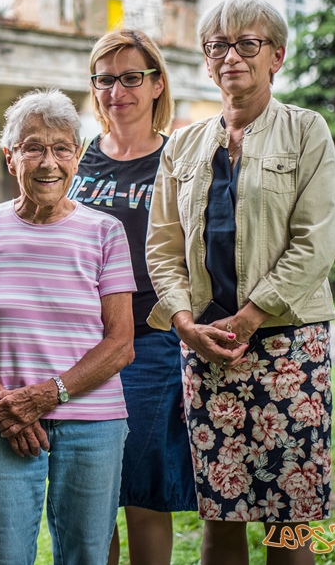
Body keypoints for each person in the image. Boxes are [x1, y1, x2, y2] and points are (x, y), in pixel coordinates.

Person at [145, 0, 335, 565]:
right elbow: (161, 244)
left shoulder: (307, 132)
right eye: (218, 46)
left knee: (288, 521)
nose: (232, 56)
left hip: (288, 342)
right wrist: (183, 322)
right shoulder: (181, 145)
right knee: (221, 512)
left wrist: (253, 314)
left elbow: (315, 241)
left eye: (247, 43)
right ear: (207, 61)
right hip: (206, 344)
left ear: (276, 55)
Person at [0, 88, 137, 565]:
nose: (48, 162)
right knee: (1, 555)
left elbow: (121, 344)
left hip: (93, 424)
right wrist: (3, 404)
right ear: (11, 158)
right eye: (33, 147)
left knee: (87, 557)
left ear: (76, 157)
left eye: (61, 148)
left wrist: (47, 395)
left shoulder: (104, 231)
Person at [69, 29, 197, 565]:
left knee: (143, 491)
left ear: (156, 84)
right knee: (89, 493)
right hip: (80, 344)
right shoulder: (77, 159)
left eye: (130, 78)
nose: (116, 90)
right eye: (104, 79)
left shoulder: (178, 160)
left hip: (151, 343)